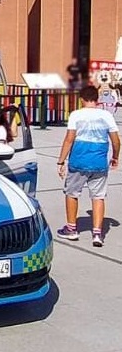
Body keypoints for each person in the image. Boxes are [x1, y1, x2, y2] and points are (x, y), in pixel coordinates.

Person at [56, 85, 120, 247]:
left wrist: (61, 161)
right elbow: (116, 141)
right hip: (99, 162)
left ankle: (71, 229)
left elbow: (69, 139)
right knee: (98, 196)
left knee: (72, 193)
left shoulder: (76, 115)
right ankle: (97, 233)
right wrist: (115, 157)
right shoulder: (106, 115)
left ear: (82, 99)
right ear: (97, 99)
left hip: (79, 160)